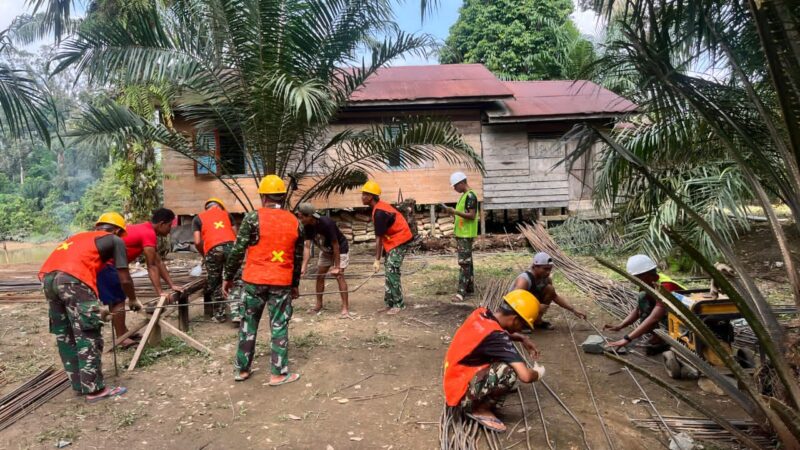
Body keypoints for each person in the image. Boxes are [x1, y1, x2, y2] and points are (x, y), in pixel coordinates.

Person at [38, 212, 142, 403]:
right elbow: (124, 278)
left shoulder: (81, 237)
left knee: (66, 333)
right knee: (88, 333)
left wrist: (93, 305)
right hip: (72, 279)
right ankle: (95, 391)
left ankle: (80, 384)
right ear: (117, 231)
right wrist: (133, 299)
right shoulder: (114, 240)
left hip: (49, 279)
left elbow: (85, 272)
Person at [223, 175, 304, 385]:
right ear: (283, 197)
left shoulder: (252, 218)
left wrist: (228, 277)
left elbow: (237, 250)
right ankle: (278, 373)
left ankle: (242, 370)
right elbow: (297, 258)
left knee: (248, 324)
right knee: (279, 325)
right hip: (281, 282)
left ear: (263, 197)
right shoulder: (295, 222)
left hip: (254, 281)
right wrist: (295, 285)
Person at [443, 289, 546, 432]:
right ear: (515, 319)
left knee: (499, 360)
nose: (521, 330)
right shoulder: (498, 338)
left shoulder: (481, 313)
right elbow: (526, 376)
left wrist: (521, 338)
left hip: (454, 378)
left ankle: (477, 397)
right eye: (522, 326)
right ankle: (479, 409)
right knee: (508, 372)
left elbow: (490, 333)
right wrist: (538, 373)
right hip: (460, 396)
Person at [95, 208, 180, 336]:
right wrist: (160, 292)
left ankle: (123, 333)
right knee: (118, 300)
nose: (169, 230)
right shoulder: (148, 233)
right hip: (107, 266)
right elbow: (151, 265)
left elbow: (158, 261)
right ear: (161, 224)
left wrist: (172, 285)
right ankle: (122, 337)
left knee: (117, 299)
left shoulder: (145, 229)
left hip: (108, 265)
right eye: (169, 226)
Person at [604, 254, 686, 352]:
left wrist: (627, 339)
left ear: (646, 275)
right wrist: (620, 326)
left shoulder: (666, 286)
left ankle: (667, 337)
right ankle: (657, 336)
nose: (633, 281)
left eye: (635, 277)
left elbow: (655, 317)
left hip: (685, 319)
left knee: (658, 311)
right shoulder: (649, 283)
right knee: (642, 297)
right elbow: (638, 309)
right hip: (670, 313)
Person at [360, 180, 413, 315]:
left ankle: (398, 304)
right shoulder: (378, 208)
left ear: (371, 196)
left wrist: (377, 259)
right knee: (389, 270)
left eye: (364, 194)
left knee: (392, 269)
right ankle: (389, 303)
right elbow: (382, 235)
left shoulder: (379, 212)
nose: (362, 197)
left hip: (400, 238)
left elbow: (378, 238)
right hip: (392, 239)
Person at [297, 203, 351, 318]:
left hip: (340, 249)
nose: (300, 219)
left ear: (309, 216)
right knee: (320, 276)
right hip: (326, 250)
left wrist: (337, 267)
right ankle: (318, 305)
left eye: (301, 217)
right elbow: (307, 247)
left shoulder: (327, 223)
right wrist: (304, 266)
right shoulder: (306, 226)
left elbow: (336, 245)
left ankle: (345, 308)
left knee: (339, 276)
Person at [512, 252, 586, 330]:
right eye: (545, 269)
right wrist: (536, 306)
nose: (548, 272)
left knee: (550, 289)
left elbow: (554, 296)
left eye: (550, 269)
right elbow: (514, 300)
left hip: (530, 304)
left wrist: (573, 310)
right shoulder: (524, 280)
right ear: (535, 267)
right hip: (515, 309)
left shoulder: (546, 279)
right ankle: (521, 322)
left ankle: (536, 321)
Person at [193, 198, 238, 323]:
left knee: (215, 281)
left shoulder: (198, 218)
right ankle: (237, 312)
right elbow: (236, 237)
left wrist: (205, 254)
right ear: (220, 207)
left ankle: (219, 314)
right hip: (231, 247)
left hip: (212, 249)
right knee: (234, 278)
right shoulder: (227, 215)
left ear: (206, 208)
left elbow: (197, 241)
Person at [441, 172, 478, 303]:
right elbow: (464, 214)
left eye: (455, 186)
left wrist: (455, 211)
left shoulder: (470, 196)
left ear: (462, 183)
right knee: (468, 262)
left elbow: (472, 215)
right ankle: (469, 288)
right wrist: (453, 213)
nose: (454, 189)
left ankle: (461, 293)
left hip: (465, 234)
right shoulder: (465, 196)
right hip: (463, 233)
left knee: (464, 263)